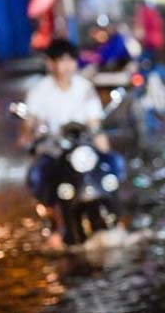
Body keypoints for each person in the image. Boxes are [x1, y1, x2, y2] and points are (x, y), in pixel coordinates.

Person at [19, 39, 124, 248]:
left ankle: (118, 219)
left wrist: (104, 151)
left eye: (67, 61)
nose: (62, 67)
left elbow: (95, 124)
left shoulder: (84, 88)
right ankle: (55, 222)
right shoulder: (39, 91)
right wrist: (29, 132)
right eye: (57, 61)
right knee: (38, 175)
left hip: (82, 150)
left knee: (114, 164)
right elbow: (29, 123)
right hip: (54, 150)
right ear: (49, 63)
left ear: (75, 63)